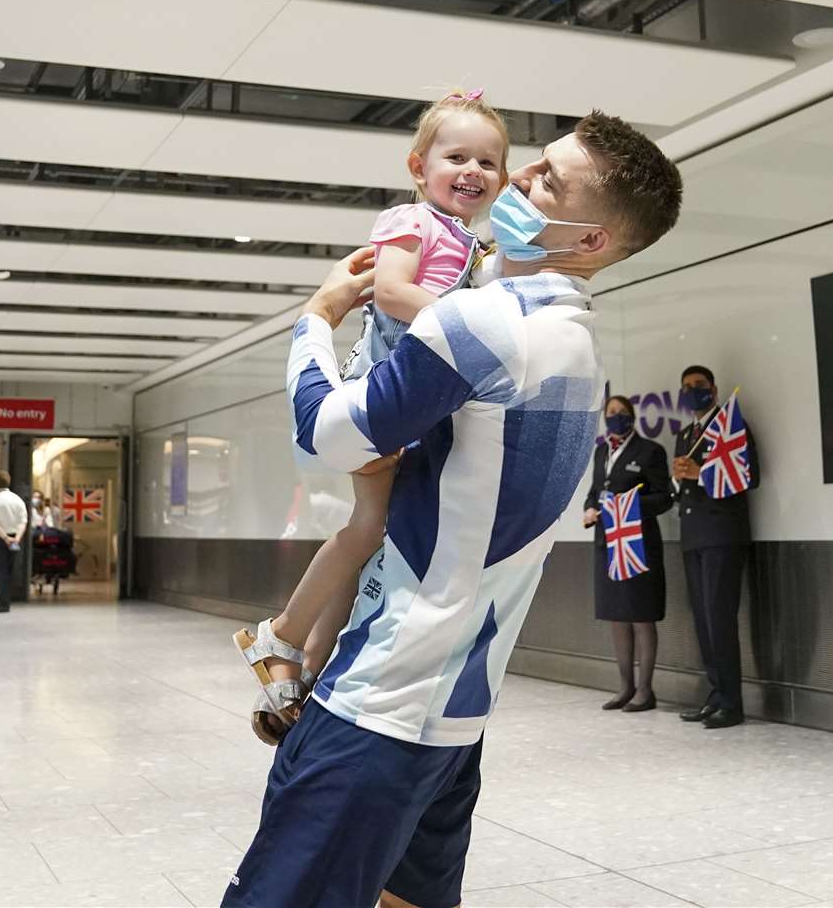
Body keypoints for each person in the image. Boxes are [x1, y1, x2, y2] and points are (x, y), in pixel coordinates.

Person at [223, 111, 681, 908]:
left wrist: (316, 317)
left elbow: (327, 432)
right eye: (534, 165)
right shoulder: (574, 345)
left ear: (591, 240)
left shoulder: (484, 323)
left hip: (379, 710)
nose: (520, 180)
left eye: (550, 181)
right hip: (455, 715)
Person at [234, 90, 509, 743]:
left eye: (489, 161)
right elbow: (389, 291)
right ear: (420, 167)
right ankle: (282, 636)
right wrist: (469, 323)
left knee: (375, 530)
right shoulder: (412, 221)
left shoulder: (469, 241)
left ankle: (302, 667)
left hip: (412, 401)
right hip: (382, 397)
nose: (473, 170)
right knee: (367, 525)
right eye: (457, 156)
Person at [671, 366, 753, 730]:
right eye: (687, 387)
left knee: (720, 621)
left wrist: (698, 472)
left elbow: (748, 475)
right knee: (704, 623)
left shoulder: (730, 428)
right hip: (693, 536)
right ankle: (716, 694)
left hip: (722, 535)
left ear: (714, 389)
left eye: (699, 386)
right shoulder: (685, 433)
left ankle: (732, 703)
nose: (693, 391)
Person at [581, 394, 673, 713]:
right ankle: (625, 688)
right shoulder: (602, 451)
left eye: (622, 412)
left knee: (641, 616)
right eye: (611, 413)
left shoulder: (650, 451)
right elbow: (595, 492)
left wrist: (626, 506)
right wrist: (590, 508)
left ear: (633, 416)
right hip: (607, 544)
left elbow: (665, 498)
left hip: (638, 545)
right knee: (617, 616)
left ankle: (645, 691)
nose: (616, 417)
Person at [0, 471, 27, 614]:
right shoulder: (18, 500)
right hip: (15, 538)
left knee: (0, 572)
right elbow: (23, 522)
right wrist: (16, 538)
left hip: (0, 540)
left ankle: (3, 603)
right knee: (9, 571)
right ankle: (5, 600)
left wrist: (5, 538)